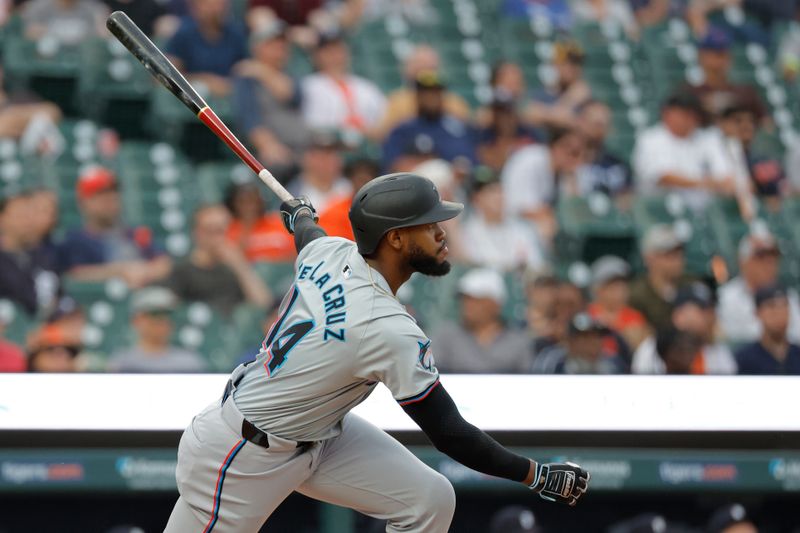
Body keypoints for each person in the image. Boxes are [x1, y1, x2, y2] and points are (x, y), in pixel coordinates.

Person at [164, 173, 590, 532]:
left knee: (429, 500)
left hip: (317, 433)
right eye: (429, 224)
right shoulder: (386, 328)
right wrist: (535, 474)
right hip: (241, 457)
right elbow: (449, 433)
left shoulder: (328, 252)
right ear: (397, 239)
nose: (443, 232)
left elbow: (309, 236)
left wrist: (302, 218)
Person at [58, 167, 172, 288]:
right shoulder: (76, 240)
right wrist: (120, 271)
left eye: (113, 192)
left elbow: (164, 263)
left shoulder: (135, 233)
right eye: (100, 193)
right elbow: (75, 274)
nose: (110, 198)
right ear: (83, 202)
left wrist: (143, 272)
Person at [233, 19, 311, 180]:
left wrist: (262, 71)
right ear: (257, 47)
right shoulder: (246, 80)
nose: (280, 48)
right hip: (271, 151)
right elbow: (250, 121)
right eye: (273, 43)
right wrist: (269, 145)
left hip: (304, 148)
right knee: (278, 166)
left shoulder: (291, 73)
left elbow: (293, 95)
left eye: (283, 43)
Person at [632, 91, 736, 212]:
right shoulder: (651, 139)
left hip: (704, 211)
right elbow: (662, 176)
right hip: (661, 211)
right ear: (667, 114)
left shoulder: (708, 139)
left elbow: (727, 177)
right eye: (684, 114)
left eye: (693, 114)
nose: (690, 119)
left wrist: (715, 183)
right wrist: (706, 183)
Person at [168, 205, 272, 316]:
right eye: (211, 231)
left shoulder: (235, 269)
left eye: (222, 231)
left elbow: (264, 306)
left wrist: (240, 266)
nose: (218, 239)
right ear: (197, 233)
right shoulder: (180, 270)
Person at [431, 268, 533, 373]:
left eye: (475, 300)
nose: (467, 305)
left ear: (495, 304)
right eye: (464, 299)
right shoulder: (446, 336)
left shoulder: (518, 341)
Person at [500, 127, 586, 243]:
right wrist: (551, 216)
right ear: (554, 146)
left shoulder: (568, 173)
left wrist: (572, 179)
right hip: (508, 224)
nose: (573, 158)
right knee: (546, 225)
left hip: (535, 228)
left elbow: (576, 212)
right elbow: (522, 208)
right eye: (570, 151)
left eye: (578, 153)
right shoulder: (530, 160)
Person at [632, 282, 737, 374]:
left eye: (712, 310)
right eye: (703, 310)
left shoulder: (718, 351)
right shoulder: (652, 349)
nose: (710, 316)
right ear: (679, 315)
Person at [382, 71, 478, 172]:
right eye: (426, 93)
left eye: (435, 93)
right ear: (418, 96)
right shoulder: (403, 130)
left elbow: (470, 161)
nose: (431, 98)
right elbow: (390, 166)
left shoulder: (457, 129)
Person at [717, 232, 800, 344]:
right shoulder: (726, 297)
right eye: (761, 258)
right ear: (743, 262)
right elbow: (728, 340)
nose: (769, 264)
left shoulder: (788, 296)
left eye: (773, 258)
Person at [301, 29, 386, 134]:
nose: (335, 56)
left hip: (366, 143)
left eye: (339, 49)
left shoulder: (366, 86)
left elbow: (383, 121)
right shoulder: (309, 85)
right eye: (329, 51)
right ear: (317, 55)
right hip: (327, 144)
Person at [462, 167, 547, 272]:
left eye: (500, 190)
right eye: (491, 192)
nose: (498, 196)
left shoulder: (522, 228)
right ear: (476, 199)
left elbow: (536, 266)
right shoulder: (468, 232)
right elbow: (477, 268)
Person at [377, 45, 471, 139]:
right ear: (407, 69)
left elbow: (465, 134)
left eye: (429, 66)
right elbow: (384, 135)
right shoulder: (397, 102)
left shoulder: (454, 103)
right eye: (418, 64)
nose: (424, 69)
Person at [108, 287, 207, 373]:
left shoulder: (189, 362)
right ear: (136, 320)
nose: (163, 320)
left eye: (168, 314)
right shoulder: (123, 362)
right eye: (155, 314)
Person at [166, 0, 248, 96]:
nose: (216, 10)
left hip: (231, 95)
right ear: (195, 7)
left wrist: (229, 84)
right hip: (195, 95)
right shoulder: (184, 33)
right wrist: (205, 80)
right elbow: (168, 75)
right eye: (209, 5)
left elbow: (245, 68)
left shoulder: (236, 34)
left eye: (220, 5)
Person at [685, 28, 768, 123]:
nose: (719, 60)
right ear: (701, 56)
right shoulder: (690, 94)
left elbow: (766, 125)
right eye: (715, 53)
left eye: (723, 53)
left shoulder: (746, 93)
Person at [0, 187, 61, 316]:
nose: (27, 221)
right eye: (20, 215)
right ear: (2, 218)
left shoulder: (43, 256)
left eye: (30, 215)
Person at [286, 130, 354, 238]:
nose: (329, 160)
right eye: (322, 154)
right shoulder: (292, 193)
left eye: (333, 153)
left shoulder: (351, 190)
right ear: (306, 158)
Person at [628, 224, 694, 332]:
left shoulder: (691, 284)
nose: (677, 259)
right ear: (650, 258)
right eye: (669, 254)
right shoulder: (636, 293)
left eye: (679, 253)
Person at [532, 312, 628, 374]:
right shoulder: (553, 362)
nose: (594, 342)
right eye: (586, 337)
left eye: (597, 336)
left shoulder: (613, 363)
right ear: (570, 341)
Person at [576, 100, 634, 203]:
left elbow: (627, 201)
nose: (599, 130)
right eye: (596, 124)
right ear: (580, 122)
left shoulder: (618, 165)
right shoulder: (566, 160)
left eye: (604, 124)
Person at [526, 41, 592, 131]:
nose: (573, 68)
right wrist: (571, 101)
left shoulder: (586, 99)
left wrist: (545, 115)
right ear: (556, 64)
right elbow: (529, 114)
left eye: (578, 63)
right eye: (568, 62)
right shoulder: (543, 92)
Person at [587, 255, 649, 351]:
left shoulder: (633, 316)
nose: (619, 291)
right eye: (612, 286)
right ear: (597, 289)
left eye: (622, 285)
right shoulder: (587, 313)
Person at [735, 285, 800, 375]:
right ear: (757, 313)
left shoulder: (797, 354)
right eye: (771, 306)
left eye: (784, 306)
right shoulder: (744, 359)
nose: (779, 313)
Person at [224, 181, 296, 262]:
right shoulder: (229, 230)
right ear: (234, 204)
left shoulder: (280, 223)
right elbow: (233, 262)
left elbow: (296, 253)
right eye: (242, 202)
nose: (249, 207)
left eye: (253, 201)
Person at [477, 89, 538, 173]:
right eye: (498, 113)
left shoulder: (527, 133)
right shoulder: (485, 135)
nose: (503, 118)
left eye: (507, 112)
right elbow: (483, 158)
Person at [22, 0, 108, 45]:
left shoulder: (94, 9)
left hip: (84, 64)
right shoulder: (38, 7)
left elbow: (103, 35)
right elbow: (28, 33)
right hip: (46, 64)